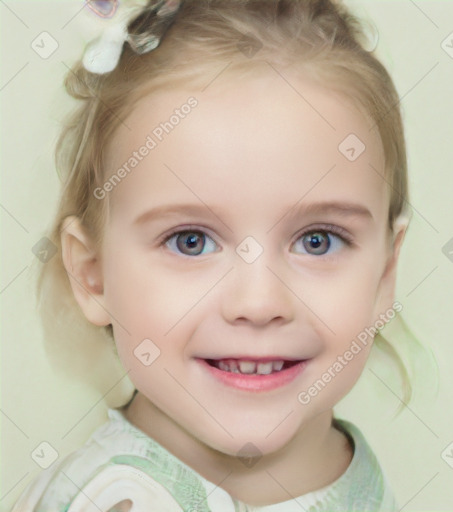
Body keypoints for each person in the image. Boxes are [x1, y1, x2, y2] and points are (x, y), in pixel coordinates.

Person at [12, 0, 415, 510]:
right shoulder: (111, 500)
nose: (259, 300)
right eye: (191, 241)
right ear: (94, 277)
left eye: (318, 240)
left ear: (384, 274)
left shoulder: (359, 479)